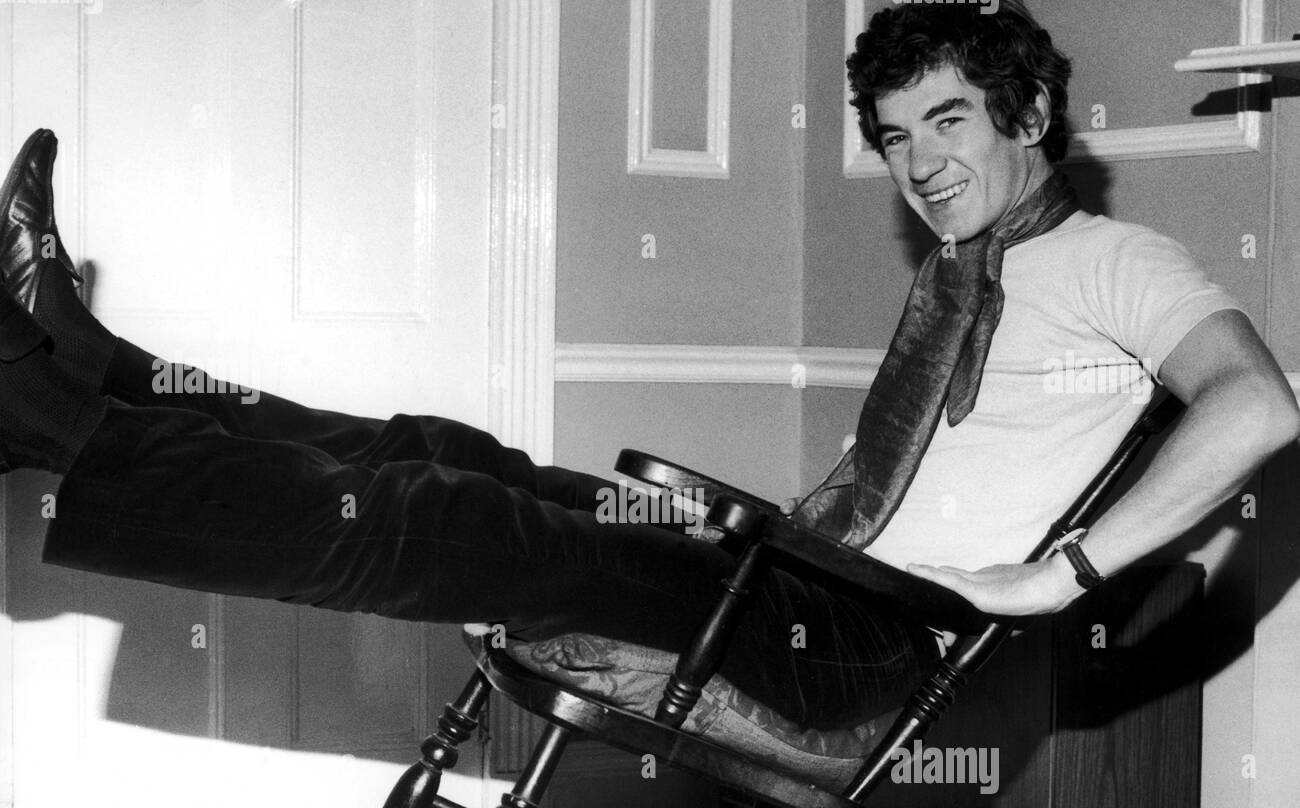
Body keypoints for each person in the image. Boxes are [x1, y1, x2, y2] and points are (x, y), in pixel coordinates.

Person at [0, 1, 1295, 742]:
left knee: (454, 518)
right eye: (897, 138)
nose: (919, 166)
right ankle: (96, 365)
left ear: (1028, 120)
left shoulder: (1119, 259)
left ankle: (46, 412)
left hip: (854, 644)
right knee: (446, 452)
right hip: (791, 568)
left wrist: (1052, 576)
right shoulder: (959, 267)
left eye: (948, 123)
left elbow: (1258, 406)